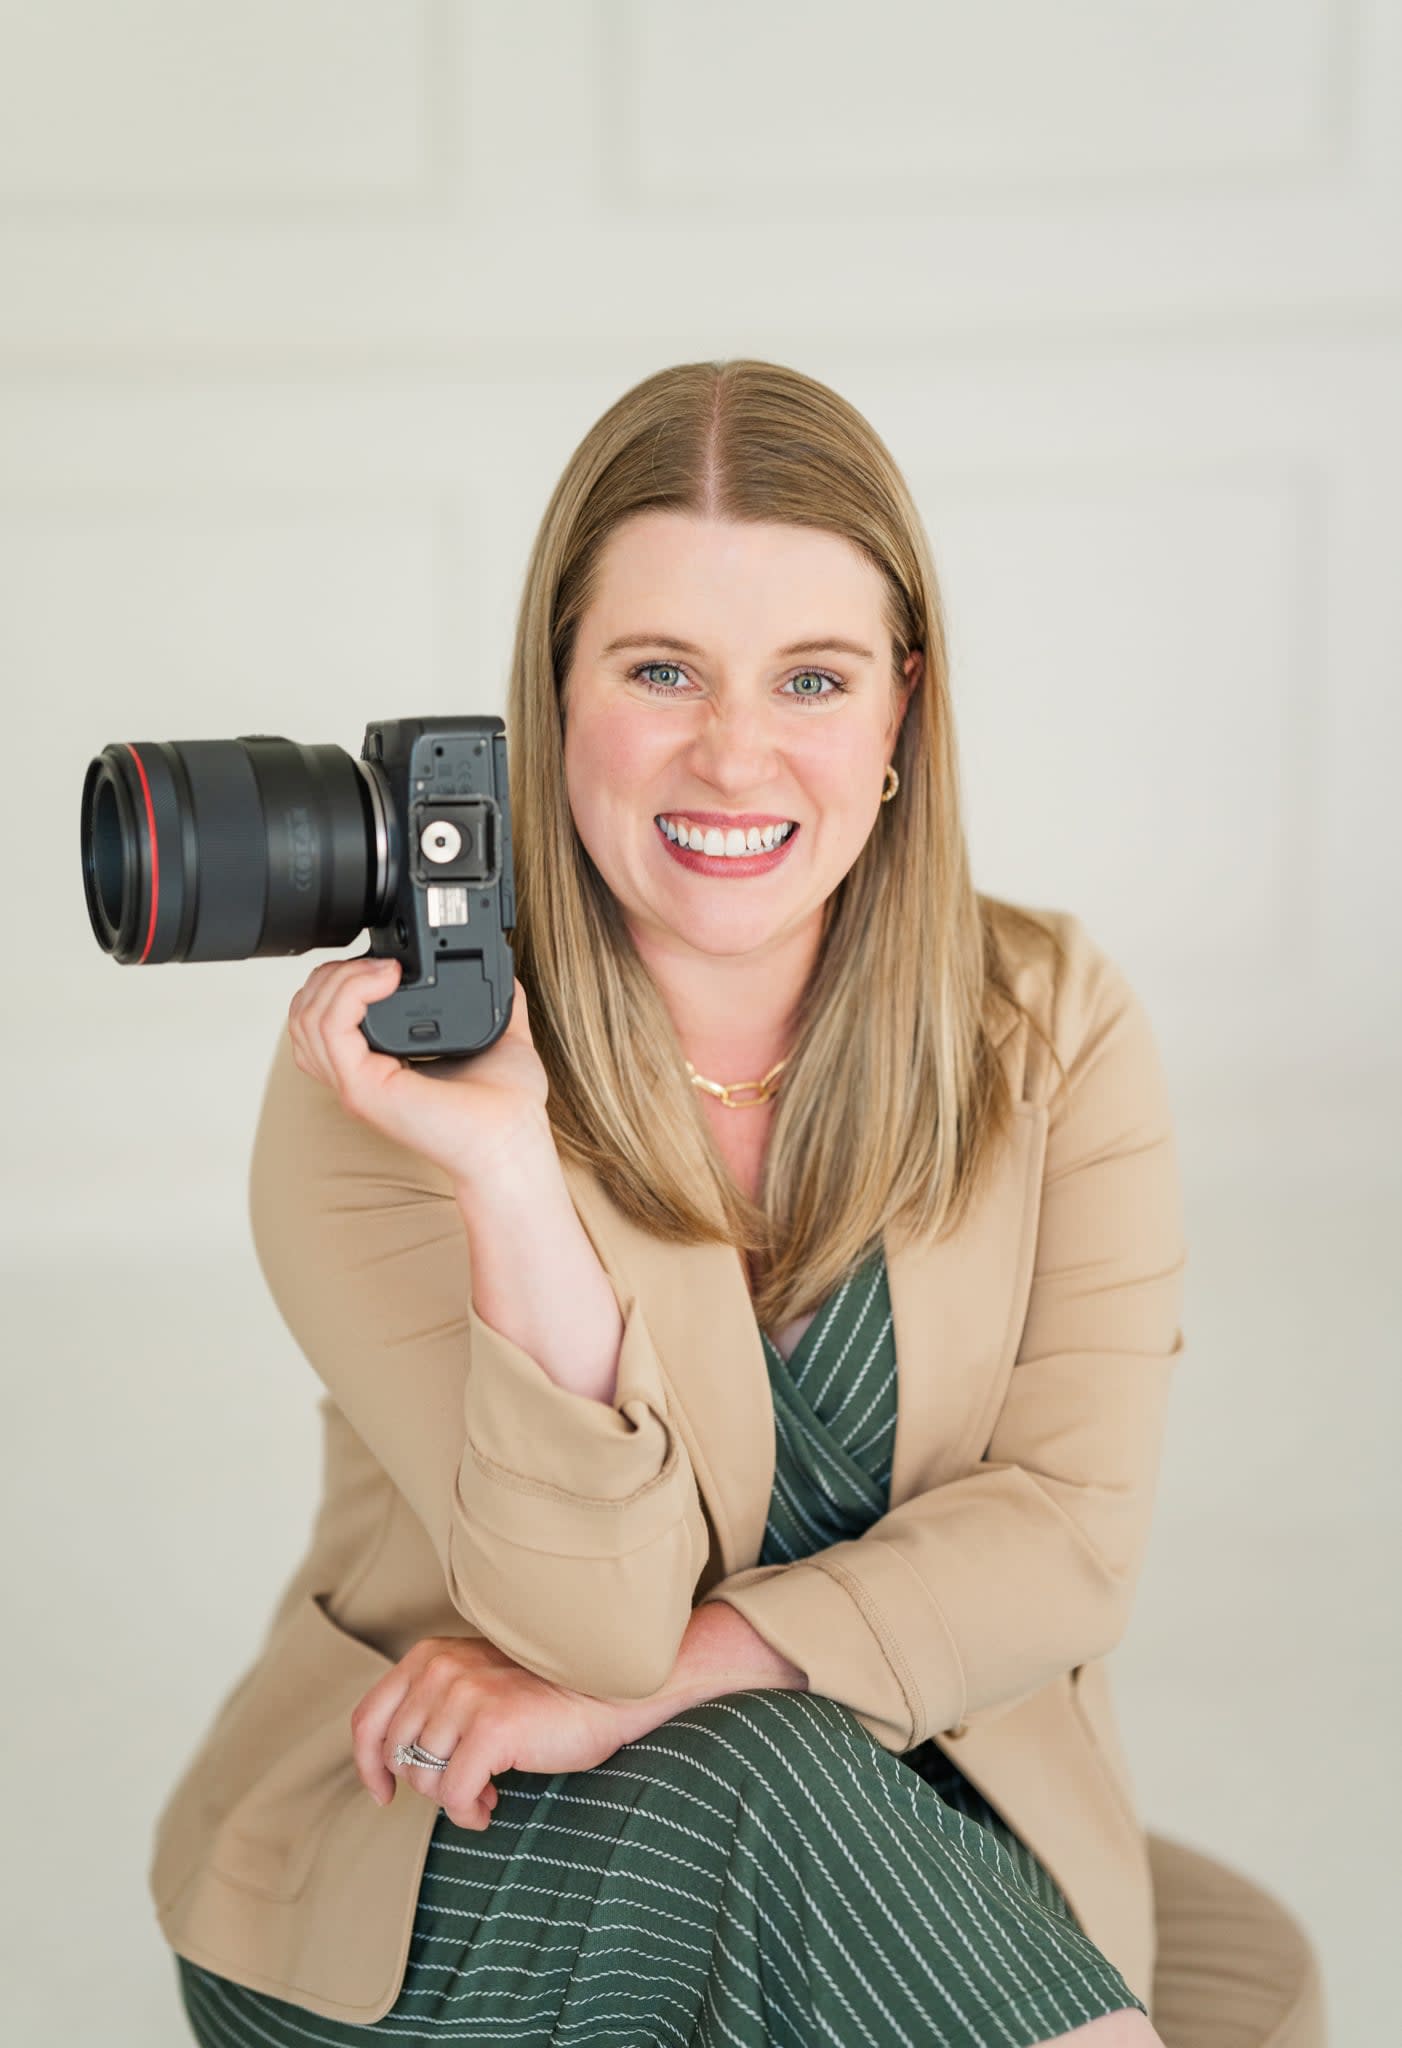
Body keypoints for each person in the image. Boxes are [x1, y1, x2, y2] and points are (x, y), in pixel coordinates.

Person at [152, 358, 1186, 2047]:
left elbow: (1067, 1543)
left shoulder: (1045, 1020)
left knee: (780, 1770)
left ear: (900, 714)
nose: (733, 752)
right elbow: (591, 1623)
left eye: (811, 678)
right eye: (658, 670)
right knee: (768, 1781)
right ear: (550, 694)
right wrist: (505, 1168)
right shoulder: (391, 1080)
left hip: (920, 1835)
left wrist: (698, 1670)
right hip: (458, 1864)